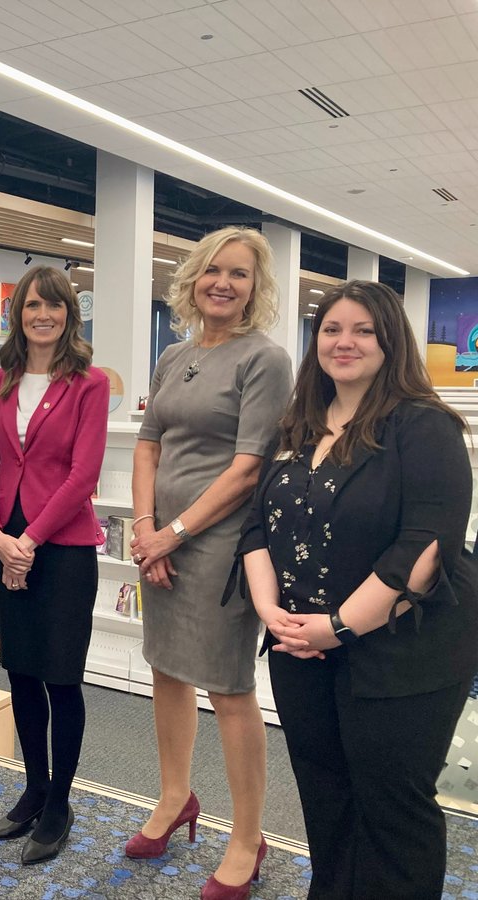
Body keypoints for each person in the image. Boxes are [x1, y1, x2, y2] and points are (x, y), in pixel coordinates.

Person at [237, 280, 478, 899]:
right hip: (300, 649)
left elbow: (423, 550)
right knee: (326, 799)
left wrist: (337, 626)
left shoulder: (425, 427)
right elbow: (258, 524)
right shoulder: (298, 425)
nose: (345, 343)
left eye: (363, 330)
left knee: (392, 809)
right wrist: (273, 613)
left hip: (403, 652)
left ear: (390, 340)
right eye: (332, 330)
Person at [128, 226, 292, 899]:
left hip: (222, 546)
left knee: (227, 688)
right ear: (194, 279)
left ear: (256, 289)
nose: (223, 283)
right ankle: (174, 798)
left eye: (239, 275)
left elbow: (250, 468)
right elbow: (147, 444)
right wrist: (145, 529)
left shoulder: (266, 359)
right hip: (160, 540)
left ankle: (248, 838)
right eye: (212, 271)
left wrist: (176, 533)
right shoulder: (175, 354)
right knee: (166, 670)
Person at [0, 266, 109, 865]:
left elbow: (84, 474)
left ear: (68, 314)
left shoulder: (89, 383)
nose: (42, 315)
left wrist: (28, 538)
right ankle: (33, 787)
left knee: (61, 676)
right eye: (32, 306)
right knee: (21, 672)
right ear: (18, 314)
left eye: (53, 306)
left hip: (64, 551)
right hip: (9, 546)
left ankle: (59, 804)